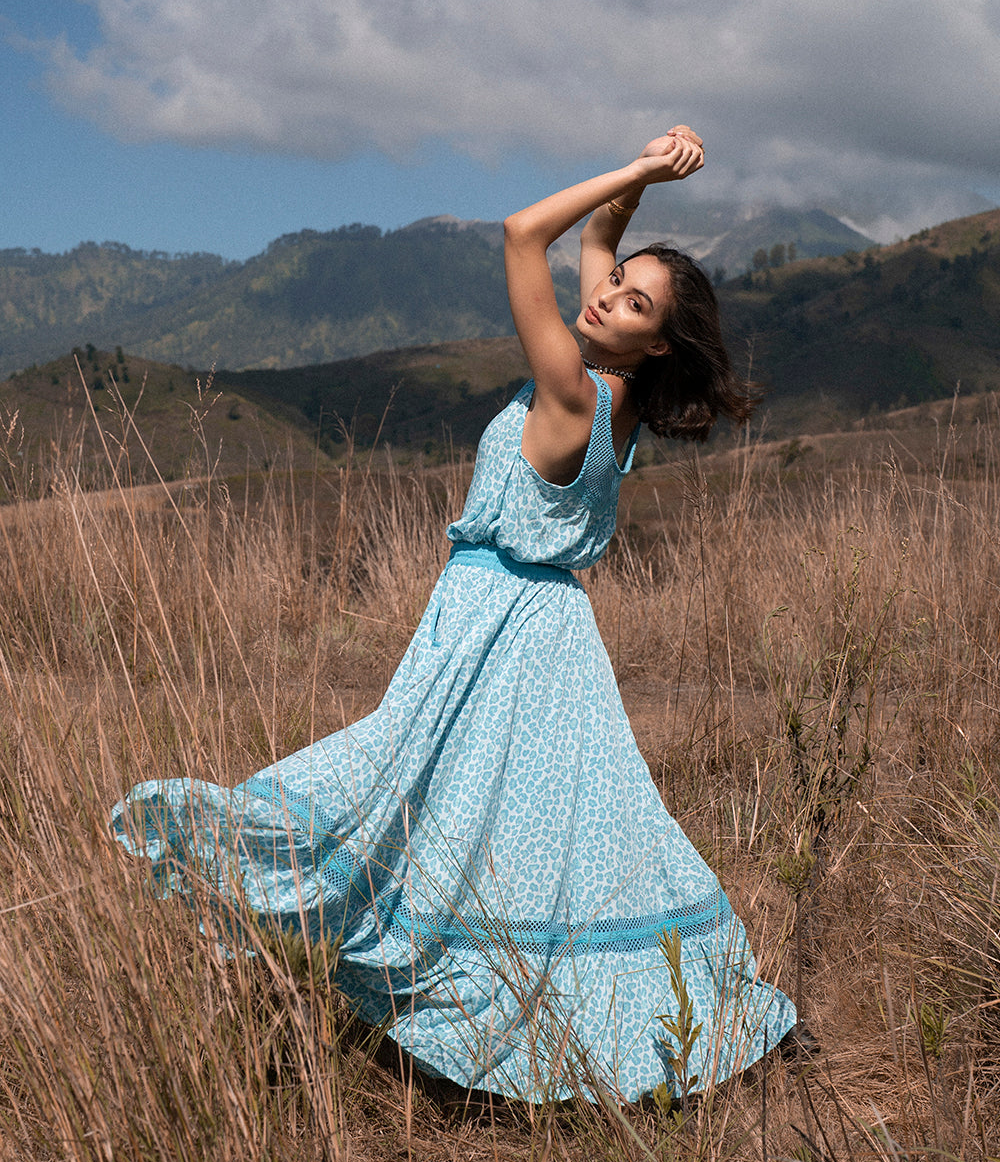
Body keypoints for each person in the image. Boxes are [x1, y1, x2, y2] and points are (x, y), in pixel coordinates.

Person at [112, 126, 796, 1104]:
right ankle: (584, 1027)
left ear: (656, 344)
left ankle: (458, 1004)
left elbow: (525, 233)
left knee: (401, 792)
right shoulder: (620, 396)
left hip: (492, 626)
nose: (602, 296)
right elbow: (595, 243)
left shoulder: (568, 386)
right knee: (528, 832)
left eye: (632, 301)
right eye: (614, 285)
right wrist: (636, 196)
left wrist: (641, 173)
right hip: (550, 630)